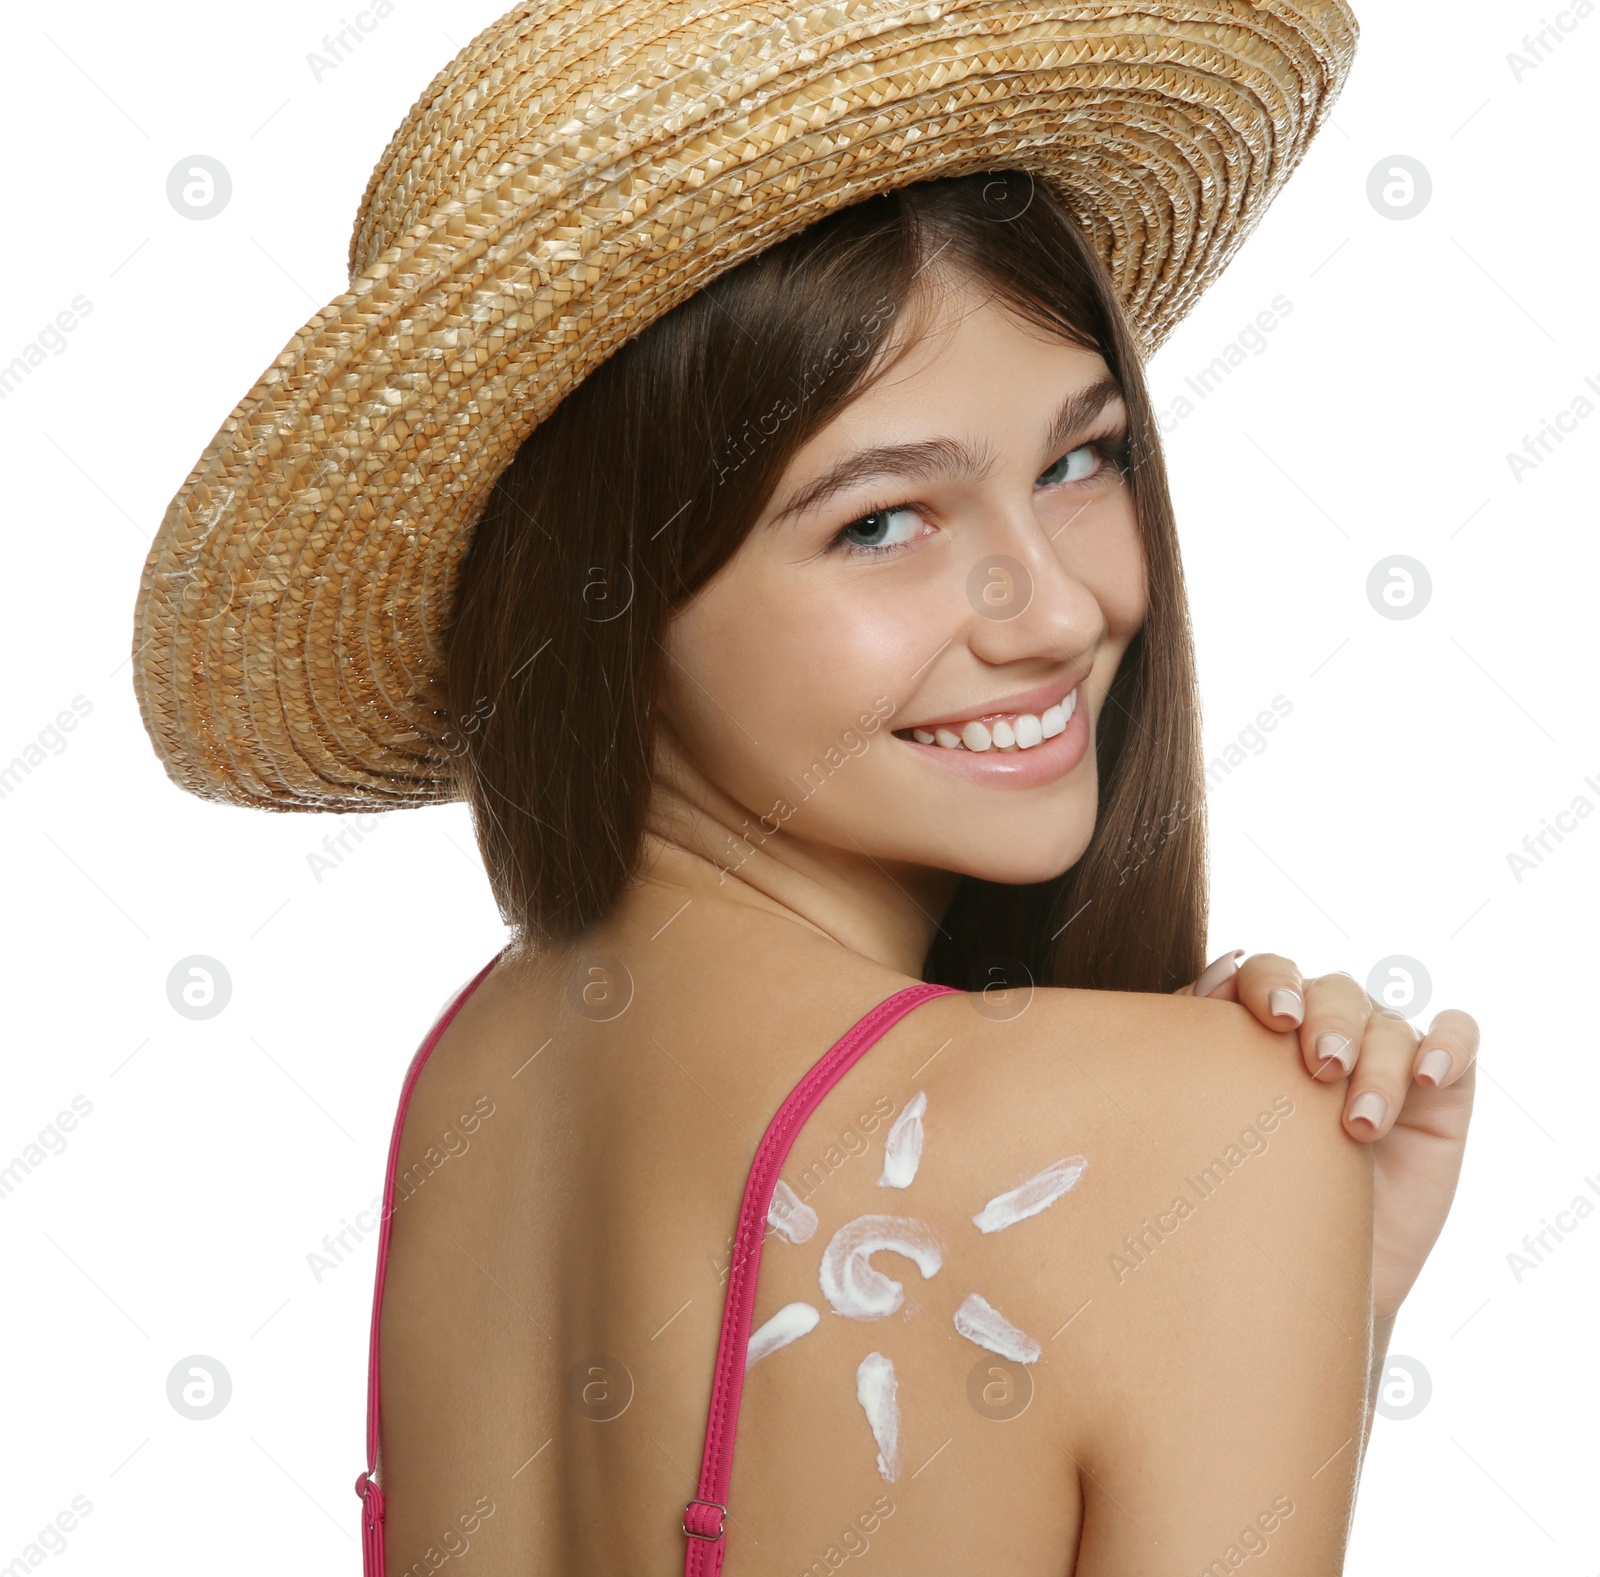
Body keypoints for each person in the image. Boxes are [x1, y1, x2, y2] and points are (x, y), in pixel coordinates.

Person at [129, 3, 1476, 1572]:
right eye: (881, 524)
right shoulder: (1197, 1128)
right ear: (602, 602)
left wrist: (1313, 1309)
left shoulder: (474, 1082)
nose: (1048, 609)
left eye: (1076, 461)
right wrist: (1256, 1225)